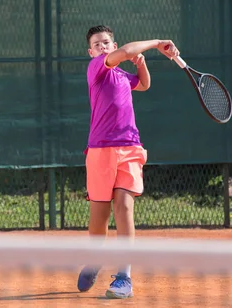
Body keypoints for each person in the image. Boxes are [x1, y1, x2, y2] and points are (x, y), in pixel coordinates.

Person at [77, 25, 179, 299]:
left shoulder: (122, 75)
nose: (102, 46)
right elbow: (124, 52)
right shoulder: (97, 68)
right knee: (99, 220)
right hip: (100, 151)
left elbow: (143, 84)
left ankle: (124, 276)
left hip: (130, 147)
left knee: (123, 206)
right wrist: (157, 42)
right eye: (97, 44)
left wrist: (142, 62)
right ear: (91, 53)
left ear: (113, 44)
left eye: (106, 42)